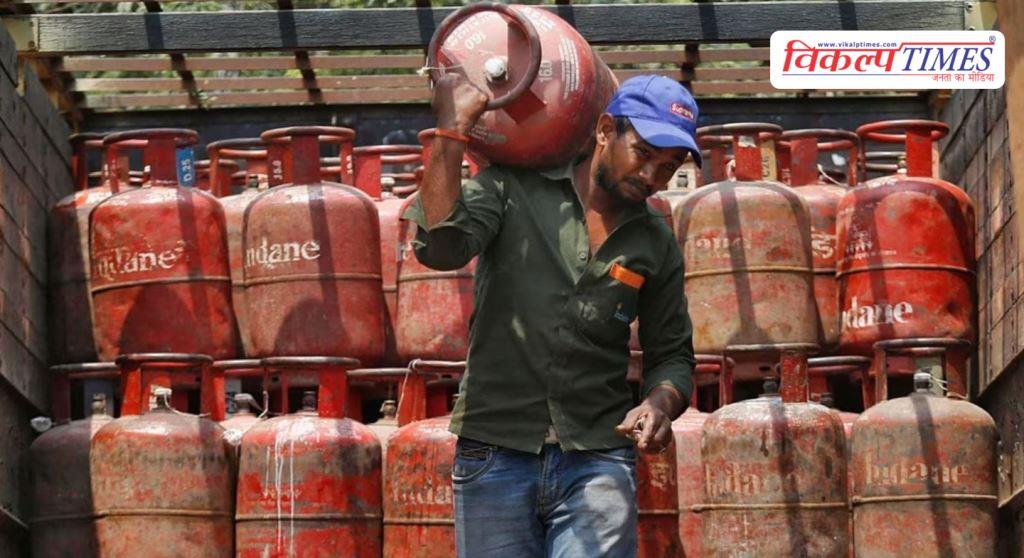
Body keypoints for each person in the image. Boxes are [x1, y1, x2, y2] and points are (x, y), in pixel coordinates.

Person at [404, 74, 700, 557]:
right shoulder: (510, 188)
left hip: (597, 459)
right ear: (606, 130)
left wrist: (658, 406)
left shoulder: (654, 241)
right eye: (644, 154)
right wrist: (451, 130)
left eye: (667, 168)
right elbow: (436, 247)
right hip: (494, 450)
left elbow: (672, 356)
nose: (651, 176)